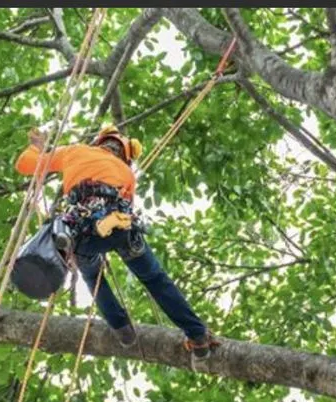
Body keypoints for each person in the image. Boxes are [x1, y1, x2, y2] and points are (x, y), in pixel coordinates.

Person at [15, 125, 219, 358]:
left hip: (80, 232)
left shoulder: (76, 151)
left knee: (93, 276)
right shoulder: (126, 172)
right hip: (120, 227)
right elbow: (127, 203)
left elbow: (24, 164)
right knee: (155, 279)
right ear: (125, 154)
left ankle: (123, 330)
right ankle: (198, 337)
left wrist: (37, 147)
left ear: (100, 142)